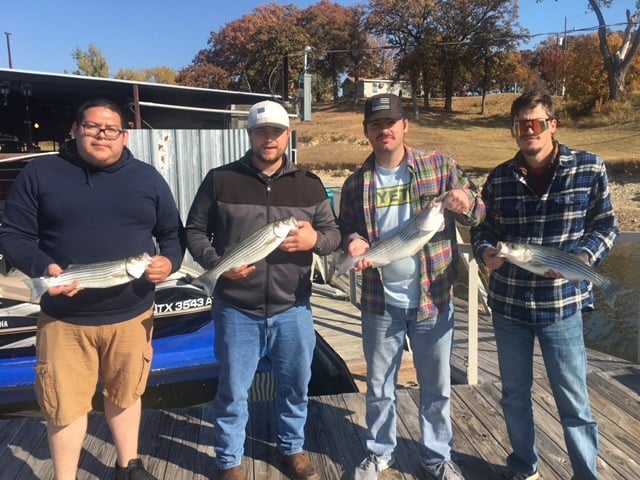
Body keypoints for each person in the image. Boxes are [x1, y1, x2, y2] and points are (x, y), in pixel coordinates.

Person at [0, 98, 184, 480]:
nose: (102, 135)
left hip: (132, 314)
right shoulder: (41, 173)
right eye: (92, 127)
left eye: (111, 129)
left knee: (126, 394)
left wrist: (169, 261)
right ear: (75, 129)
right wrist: (43, 269)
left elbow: (171, 234)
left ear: (124, 135)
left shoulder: (147, 177)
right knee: (63, 406)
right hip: (64, 318)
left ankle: (127, 466)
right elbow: (13, 234)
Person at [184, 100, 340, 480]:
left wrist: (314, 240)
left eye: (276, 131)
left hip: (293, 308)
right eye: (261, 131)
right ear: (250, 135)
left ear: (288, 135)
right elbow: (193, 231)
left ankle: (292, 448)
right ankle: (229, 460)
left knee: (295, 386)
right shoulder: (220, 179)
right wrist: (216, 263)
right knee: (234, 390)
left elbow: (333, 236)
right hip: (237, 306)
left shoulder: (309, 183)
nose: (268, 139)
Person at [470, 90, 618, 480]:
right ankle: (524, 466)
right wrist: (485, 252)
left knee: (573, 399)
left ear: (552, 124)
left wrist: (583, 258)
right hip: (509, 307)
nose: (527, 132)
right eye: (520, 126)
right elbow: (483, 229)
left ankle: (586, 474)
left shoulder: (589, 168)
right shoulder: (499, 178)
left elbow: (605, 225)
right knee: (514, 395)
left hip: (562, 306)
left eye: (535, 124)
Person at [338, 93, 485, 480]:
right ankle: (379, 452)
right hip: (378, 301)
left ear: (405, 126)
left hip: (433, 298)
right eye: (375, 124)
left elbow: (479, 208)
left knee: (436, 387)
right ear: (367, 132)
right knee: (379, 385)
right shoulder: (356, 183)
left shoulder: (439, 166)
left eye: (391, 122)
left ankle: (436, 456)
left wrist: (465, 198)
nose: (384, 130)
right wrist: (352, 242)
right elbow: (346, 227)